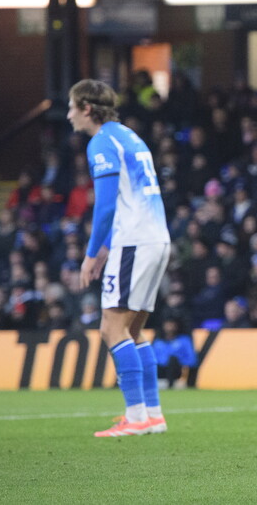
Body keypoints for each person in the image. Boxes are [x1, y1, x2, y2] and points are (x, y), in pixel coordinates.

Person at [68, 78, 171, 437]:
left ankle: (136, 416)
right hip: (155, 237)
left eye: (71, 107)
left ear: (85, 109)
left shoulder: (101, 142)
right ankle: (152, 415)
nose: (68, 116)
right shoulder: (128, 135)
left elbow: (108, 204)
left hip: (136, 241)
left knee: (111, 328)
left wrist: (92, 252)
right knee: (134, 329)